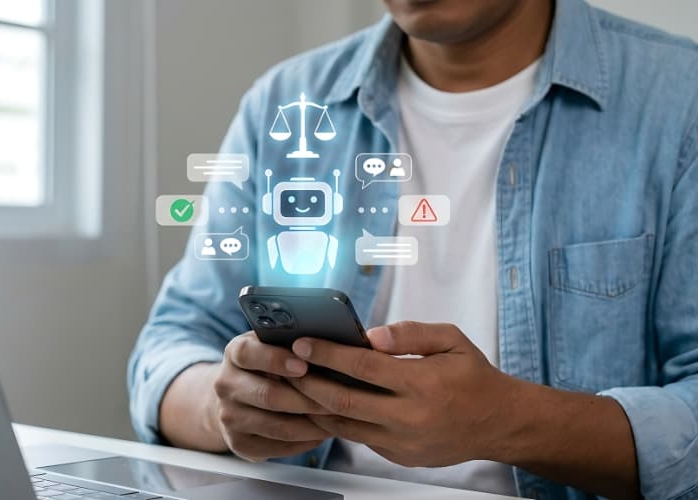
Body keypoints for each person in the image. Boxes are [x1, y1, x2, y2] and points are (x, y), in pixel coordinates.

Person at [128, 0, 698, 498]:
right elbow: (170, 345)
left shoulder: (679, 101)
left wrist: (508, 421)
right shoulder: (285, 103)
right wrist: (221, 406)